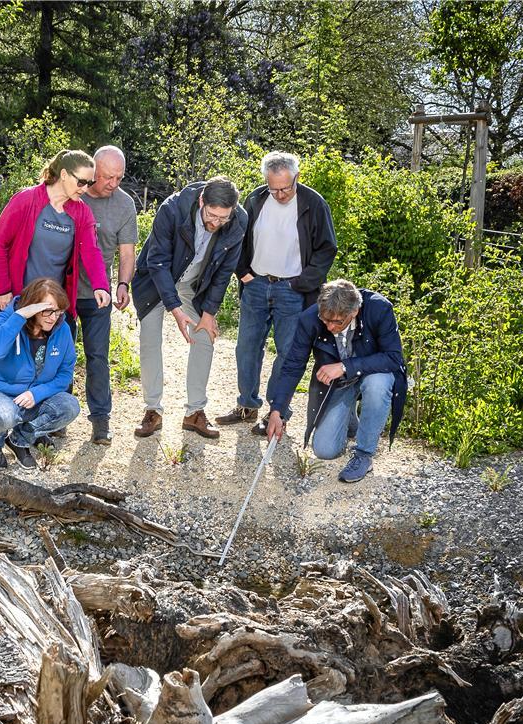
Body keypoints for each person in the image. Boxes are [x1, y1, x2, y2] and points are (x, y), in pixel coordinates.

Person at [215, 151, 337, 436]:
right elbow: (238, 240)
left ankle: (276, 412)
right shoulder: (256, 199)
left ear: (297, 178)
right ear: (265, 182)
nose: (280, 194)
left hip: (293, 290)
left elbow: (326, 249)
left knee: (287, 353)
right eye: (274, 188)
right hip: (256, 285)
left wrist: (301, 283)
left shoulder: (314, 203)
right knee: (246, 348)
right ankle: (246, 404)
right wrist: (242, 272)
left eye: (286, 187)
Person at [131, 177, 247, 440]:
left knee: (205, 337)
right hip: (156, 282)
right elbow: (157, 261)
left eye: (223, 218)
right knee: (150, 340)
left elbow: (224, 272)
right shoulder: (172, 209)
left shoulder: (239, 221)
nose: (216, 223)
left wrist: (209, 313)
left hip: (194, 286)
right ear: (201, 201)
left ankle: (195, 412)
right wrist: (174, 308)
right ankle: (152, 410)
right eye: (212, 215)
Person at [265, 280, 408, 483]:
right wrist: (277, 410)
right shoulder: (309, 318)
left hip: (374, 374)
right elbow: (293, 365)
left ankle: (364, 455)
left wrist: (344, 366)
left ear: (355, 311)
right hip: (339, 383)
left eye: (337, 322)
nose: (330, 327)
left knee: (378, 385)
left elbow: (394, 358)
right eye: (325, 320)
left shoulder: (379, 308)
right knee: (324, 450)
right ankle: (351, 423)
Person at [0, 278, 80, 470]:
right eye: (47, 310)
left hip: (25, 398)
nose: (53, 317)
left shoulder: (61, 329)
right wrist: (19, 316)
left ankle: (19, 439)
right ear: (31, 307)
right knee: (5, 413)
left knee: (69, 406)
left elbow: (65, 374)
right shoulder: (6, 319)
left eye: (58, 311)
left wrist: (37, 393)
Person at [0, 149, 112, 319]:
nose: (84, 189)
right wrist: (3, 290)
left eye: (89, 183)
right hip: (13, 297)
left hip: (50, 305)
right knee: (10, 346)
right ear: (63, 174)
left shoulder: (82, 213)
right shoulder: (26, 200)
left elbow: (91, 251)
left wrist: (100, 285)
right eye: (81, 182)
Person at [76, 146, 138, 445]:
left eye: (119, 177)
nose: (113, 183)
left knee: (97, 356)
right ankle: (56, 416)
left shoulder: (125, 205)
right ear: (93, 172)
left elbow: (127, 252)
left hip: (98, 294)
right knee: (56, 354)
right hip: (63, 290)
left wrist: (123, 284)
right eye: (107, 177)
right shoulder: (74, 194)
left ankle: (101, 420)